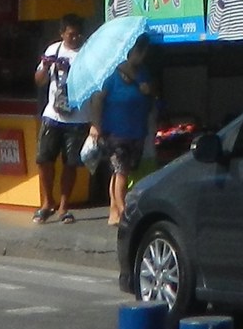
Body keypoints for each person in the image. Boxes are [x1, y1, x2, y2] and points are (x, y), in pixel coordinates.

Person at [96, 41, 157, 227]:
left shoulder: (143, 73)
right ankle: (123, 212)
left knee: (122, 171)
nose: (142, 57)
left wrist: (148, 91)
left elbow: (152, 96)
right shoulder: (111, 74)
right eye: (139, 52)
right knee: (121, 171)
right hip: (116, 132)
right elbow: (98, 100)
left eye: (143, 53)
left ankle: (114, 210)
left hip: (137, 130)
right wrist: (96, 127)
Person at [32, 17, 88, 223]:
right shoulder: (53, 50)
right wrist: (46, 66)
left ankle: (64, 206)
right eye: (70, 34)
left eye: (78, 34)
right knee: (43, 158)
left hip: (78, 116)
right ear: (62, 33)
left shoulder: (87, 52)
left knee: (70, 163)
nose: (74, 38)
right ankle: (48, 202)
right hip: (53, 114)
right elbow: (39, 81)